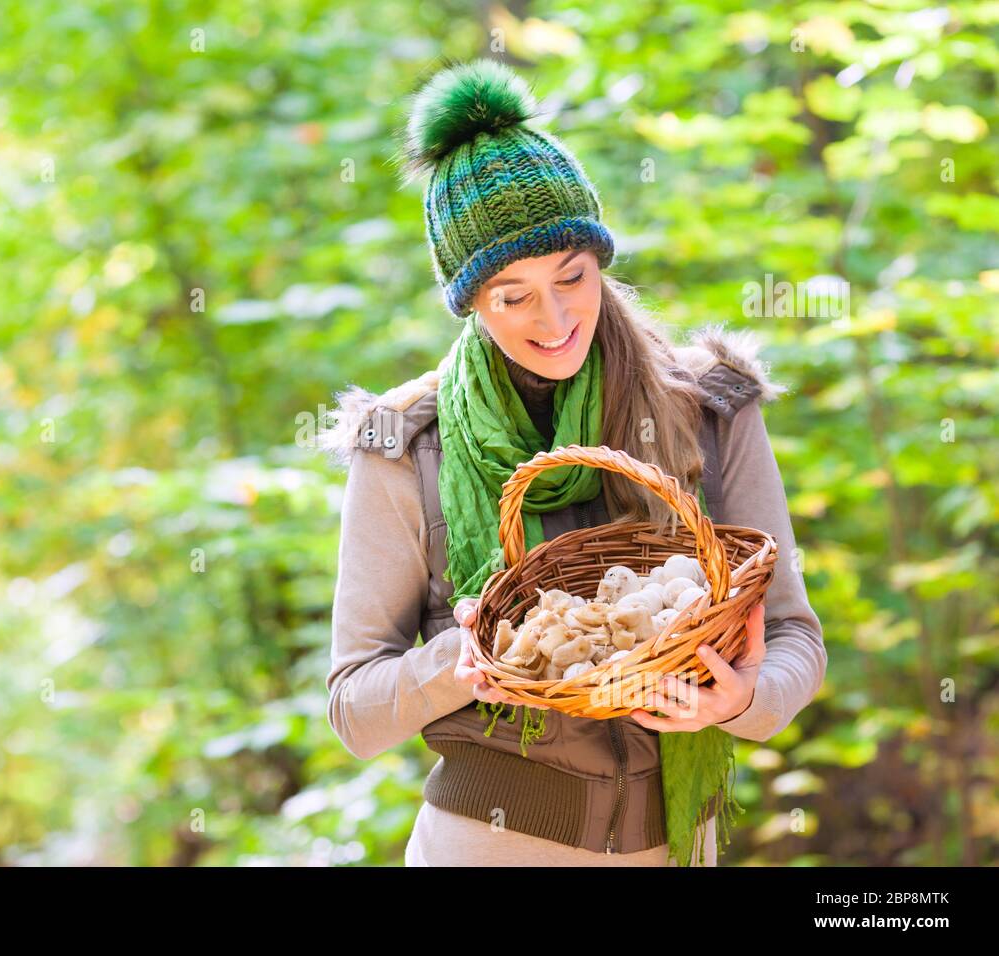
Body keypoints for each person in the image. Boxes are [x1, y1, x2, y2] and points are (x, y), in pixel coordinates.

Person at [320, 59, 827, 866]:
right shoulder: (403, 447)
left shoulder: (710, 408)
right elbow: (354, 708)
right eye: (512, 296)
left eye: (572, 277)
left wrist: (743, 700)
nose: (553, 318)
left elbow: (795, 635)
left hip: (678, 843)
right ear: (471, 301)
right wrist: (465, 661)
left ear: (601, 263)